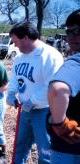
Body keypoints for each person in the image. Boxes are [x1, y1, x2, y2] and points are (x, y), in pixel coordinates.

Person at [6, 21, 64, 164]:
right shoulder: (19, 57)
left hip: (45, 112)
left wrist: (32, 101)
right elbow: (15, 78)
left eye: (15, 41)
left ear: (25, 38)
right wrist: (11, 93)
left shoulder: (50, 55)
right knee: (19, 147)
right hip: (25, 111)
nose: (15, 46)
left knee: (46, 152)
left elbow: (53, 86)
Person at [47, 9, 80, 163]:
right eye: (68, 31)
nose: (70, 37)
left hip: (69, 150)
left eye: (77, 31)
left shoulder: (76, 62)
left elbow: (58, 89)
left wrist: (60, 124)